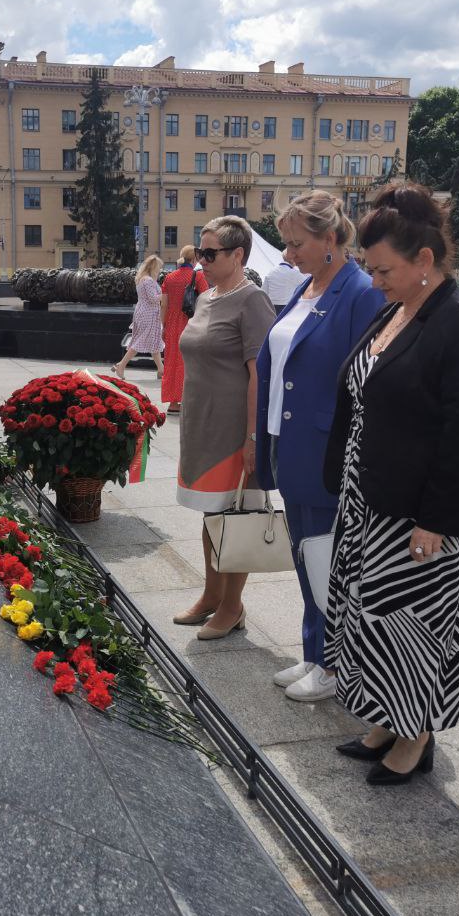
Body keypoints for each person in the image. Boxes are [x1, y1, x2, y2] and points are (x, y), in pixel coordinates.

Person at [322, 182, 459, 786]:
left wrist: (437, 517)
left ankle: (415, 735)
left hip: (417, 513)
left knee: (411, 625)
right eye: (370, 270)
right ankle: (384, 720)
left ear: (424, 261)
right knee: (369, 616)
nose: (375, 281)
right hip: (368, 500)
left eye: (384, 270)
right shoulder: (394, 310)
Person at [255, 191, 384, 702]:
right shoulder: (308, 287)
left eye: (296, 243)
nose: (288, 254)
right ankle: (314, 651)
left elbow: (365, 380)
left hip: (327, 449)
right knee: (306, 554)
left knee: (326, 559)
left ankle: (334, 664)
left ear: (331, 239)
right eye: (285, 243)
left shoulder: (358, 292)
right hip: (287, 444)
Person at [174, 216, 276, 639]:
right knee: (212, 515)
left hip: (235, 431)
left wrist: (254, 437)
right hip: (202, 424)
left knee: (237, 517)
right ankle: (211, 595)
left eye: (210, 253)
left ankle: (232, 606)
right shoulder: (208, 296)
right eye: (200, 251)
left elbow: (260, 375)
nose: (201, 260)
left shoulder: (252, 301)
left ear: (238, 255)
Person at [160, 246, 207, 414]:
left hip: (172, 323)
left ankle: (173, 402)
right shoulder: (198, 276)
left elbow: (164, 304)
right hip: (190, 322)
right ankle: (188, 400)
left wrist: (163, 325)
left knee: (171, 362)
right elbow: (206, 300)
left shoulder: (169, 277)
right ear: (194, 259)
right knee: (189, 362)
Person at [113, 254, 165, 380]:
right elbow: (153, 299)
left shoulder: (143, 279)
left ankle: (161, 370)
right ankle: (121, 365)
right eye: (159, 267)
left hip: (145, 312)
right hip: (149, 314)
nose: (160, 270)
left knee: (154, 342)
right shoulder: (148, 280)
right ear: (153, 267)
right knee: (141, 341)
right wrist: (166, 296)